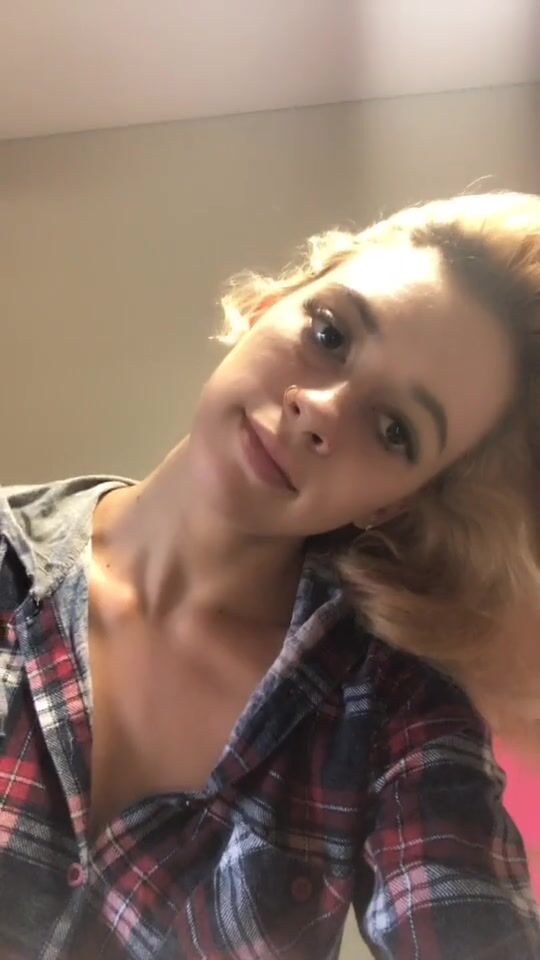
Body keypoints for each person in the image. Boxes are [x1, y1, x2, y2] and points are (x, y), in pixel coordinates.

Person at [1, 190, 540, 960]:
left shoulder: (394, 709)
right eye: (329, 334)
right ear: (268, 304)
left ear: (395, 502)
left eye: (394, 429)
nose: (320, 410)